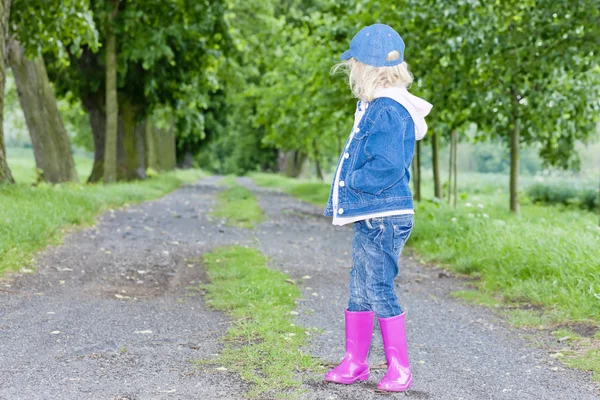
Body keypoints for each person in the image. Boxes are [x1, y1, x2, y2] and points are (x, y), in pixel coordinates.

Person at [323, 23, 432, 392]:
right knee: (360, 285)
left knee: (379, 287)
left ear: (365, 68)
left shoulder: (386, 109)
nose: (351, 71)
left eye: (353, 65)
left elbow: (386, 165)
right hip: (375, 214)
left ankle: (399, 368)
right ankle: (355, 362)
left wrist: (354, 183)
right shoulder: (382, 106)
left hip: (383, 214)